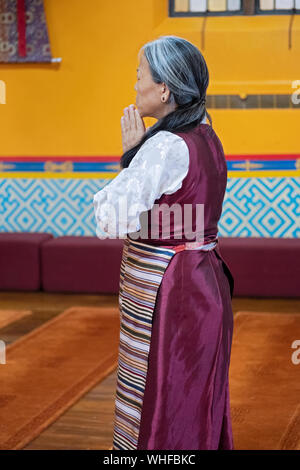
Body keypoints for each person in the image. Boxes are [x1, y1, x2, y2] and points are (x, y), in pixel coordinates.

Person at [93, 35, 235, 450]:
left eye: (139, 74)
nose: (134, 84)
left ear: (164, 89)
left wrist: (130, 156)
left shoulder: (163, 146)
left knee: (164, 395)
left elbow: (111, 219)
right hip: (203, 280)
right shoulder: (207, 135)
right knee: (191, 394)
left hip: (170, 290)